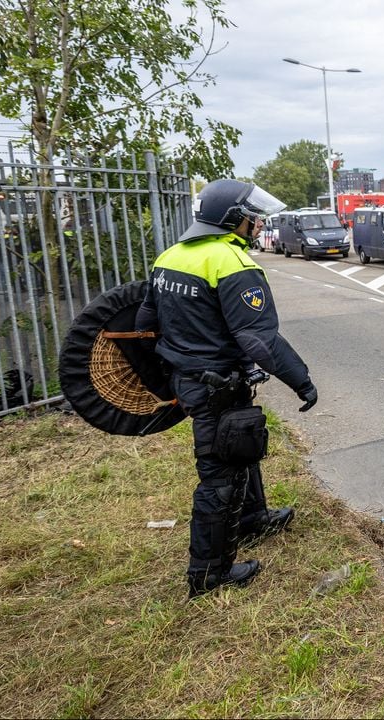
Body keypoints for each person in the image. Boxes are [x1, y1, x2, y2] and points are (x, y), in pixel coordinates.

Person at [135, 179, 318, 599]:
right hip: (217, 383)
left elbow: (146, 321)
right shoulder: (231, 262)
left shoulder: (171, 256)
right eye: (252, 217)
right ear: (233, 220)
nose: (257, 225)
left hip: (190, 379)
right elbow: (260, 339)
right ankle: (209, 573)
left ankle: (253, 518)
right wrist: (302, 382)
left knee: (241, 449)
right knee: (219, 475)